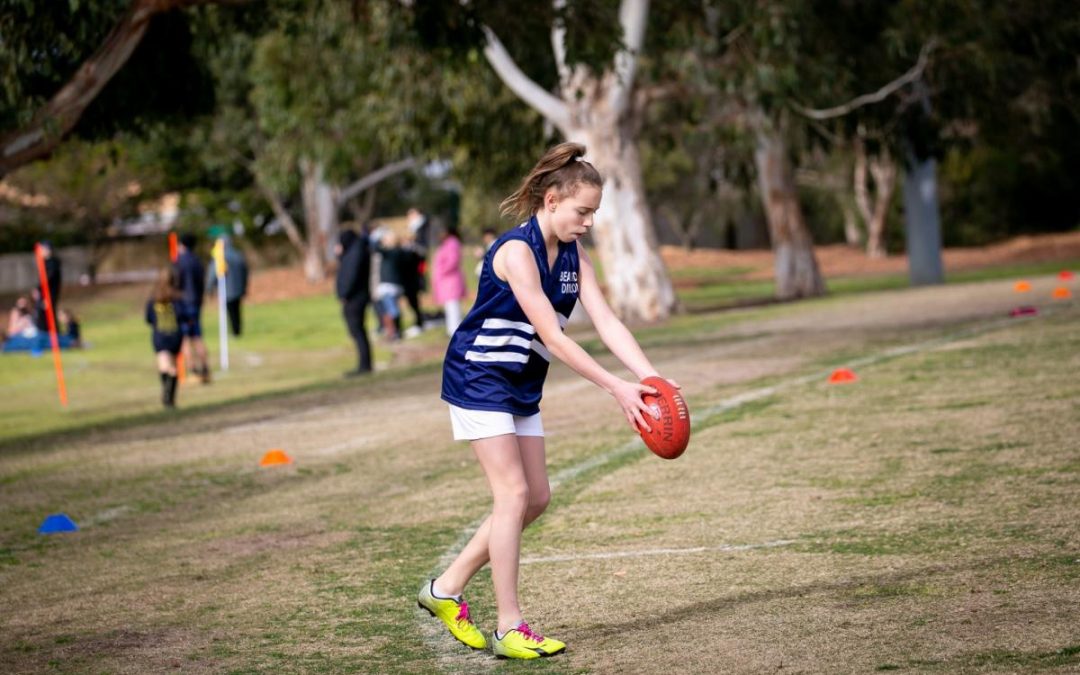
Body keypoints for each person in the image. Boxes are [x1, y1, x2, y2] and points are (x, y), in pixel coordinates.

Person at [418, 142, 677, 660]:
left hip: (520, 384)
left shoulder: (574, 257)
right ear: (552, 199)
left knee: (536, 498)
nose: (588, 223)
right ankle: (509, 626)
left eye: (594, 214)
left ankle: (443, 590)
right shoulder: (516, 251)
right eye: (582, 211)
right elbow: (555, 338)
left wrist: (649, 377)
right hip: (479, 375)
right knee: (512, 495)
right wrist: (616, 388)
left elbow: (605, 320)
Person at [335, 227, 373, 377]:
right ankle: (364, 364)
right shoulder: (354, 251)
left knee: (357, 331)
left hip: (355, 298)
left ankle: (365, 365)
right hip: (356, 297)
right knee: (357, 331)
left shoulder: (355, 253)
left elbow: (350, 276)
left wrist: (344, 293)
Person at [174, 233, 210, 383]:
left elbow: (176, 283)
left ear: (181, 244)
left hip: (183, 305)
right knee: (197, 337)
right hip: (196, 303)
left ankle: (193, 370)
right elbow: (202, 284)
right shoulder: (197, 261)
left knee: (185, 339)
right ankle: (205, 368)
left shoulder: (179, 262)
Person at [145, 268, 184, 407]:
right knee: (172, 367)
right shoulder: (177, 298)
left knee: (164, 366)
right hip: (174, 336)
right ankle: (170, 398)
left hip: (160, 337)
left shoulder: (153, 299)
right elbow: (183, 316)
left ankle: (166, 396)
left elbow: (148, 318)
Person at [205, 234, 249, 337]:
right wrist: (244, 286)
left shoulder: (220, 257)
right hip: (238, 289)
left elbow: (213, 273)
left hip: (226, 290)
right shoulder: (238, 255)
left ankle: (234, 332)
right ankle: (237, 331)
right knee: (237, 311)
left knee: (229, 312)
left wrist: (209, 288)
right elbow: (245, 271)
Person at [432, 224, 466, 336]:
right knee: (449, 307)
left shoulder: (452, 243)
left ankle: (455, 330)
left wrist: (441, 271)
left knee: (453, 307)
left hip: (450, 281)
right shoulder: (447, 244)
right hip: (446, 281)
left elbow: (453, 261)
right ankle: (451, 329)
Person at [373, 231, 406, 341]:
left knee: (391, 310)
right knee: (392, 308)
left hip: (388, 286)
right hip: (396, 285)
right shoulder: (400, 252)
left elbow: (376, 248)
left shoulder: (392, 252)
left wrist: (376, 238)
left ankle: (395, 333)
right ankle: (396, 332)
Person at [34, 240, 62, 331]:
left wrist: (40, 289)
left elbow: (48, 279)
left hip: (50, 294)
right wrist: (38, 289)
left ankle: (53, 334)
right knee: (41, 313)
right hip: (44, 293)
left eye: (43, 249)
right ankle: (45, 333)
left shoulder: (53, 263)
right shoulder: (44, 262)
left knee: (47, 313)